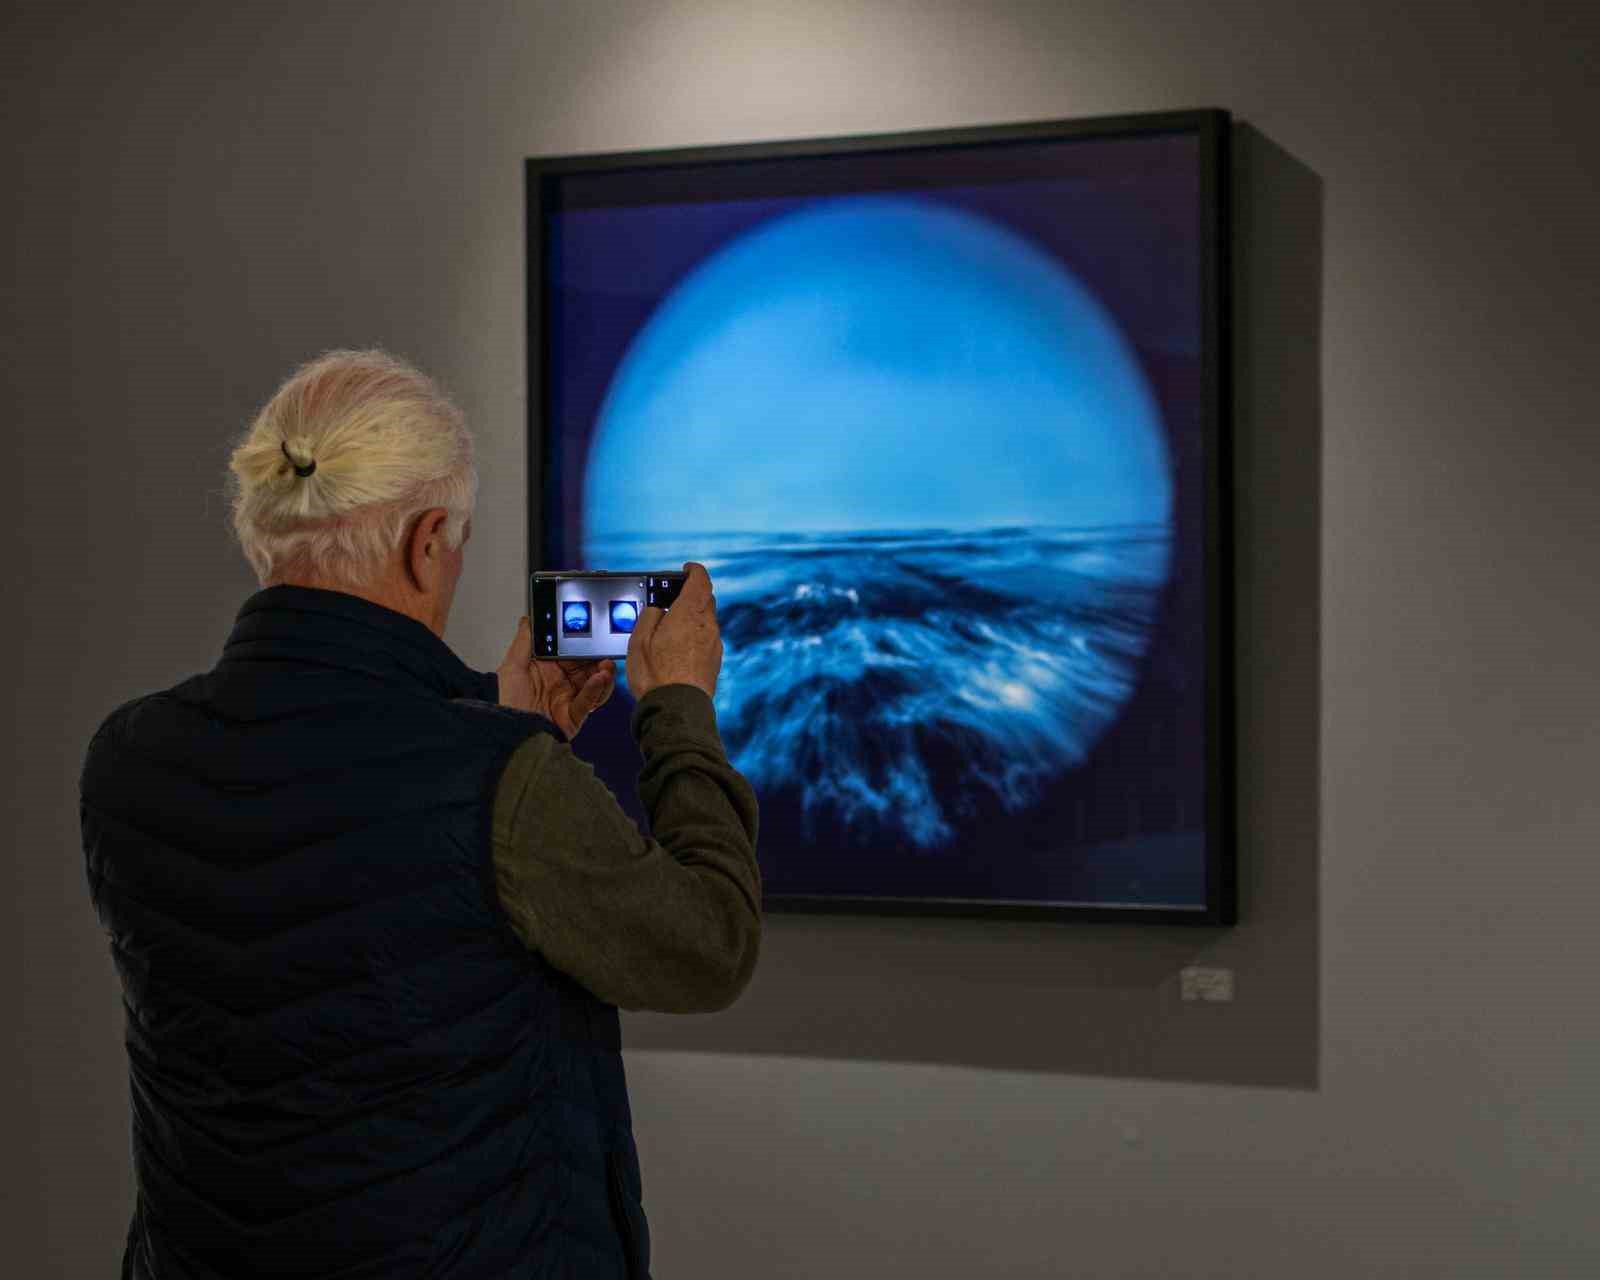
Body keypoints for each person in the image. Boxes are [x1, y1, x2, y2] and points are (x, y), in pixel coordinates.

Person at [78, 348, 761, 1279]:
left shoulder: (127, 757)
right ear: (426, 540)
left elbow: (347, 926)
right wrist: (679, 707)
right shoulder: (498, 779)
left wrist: (504, 731)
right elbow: (708, 942)